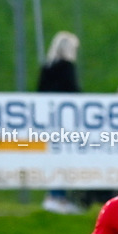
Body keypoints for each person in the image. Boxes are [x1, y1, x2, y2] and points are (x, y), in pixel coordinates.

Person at [38, 31, 82, 214]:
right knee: (65, 159)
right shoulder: (67, 67)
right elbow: (73, 91)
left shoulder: (47, 67)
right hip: (66, 122)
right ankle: (60, 196)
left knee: (53, 158)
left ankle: (52, 195)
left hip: (49, 121)